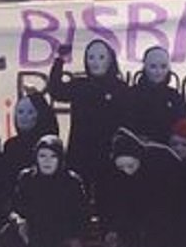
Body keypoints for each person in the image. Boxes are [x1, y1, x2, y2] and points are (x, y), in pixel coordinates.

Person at [96, 128, 186, 247]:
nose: (127, 170)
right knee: (130, 230)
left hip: (169, 210)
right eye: (122, 167)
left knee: (160, 229)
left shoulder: (161, 159)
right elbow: (114, 203)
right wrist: (112, 229)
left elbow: (178, 195)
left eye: (130, 165)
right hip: (137, 215)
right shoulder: (114, 174)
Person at [2, 135, 89, 247]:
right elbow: (14, 208)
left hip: (61, 237)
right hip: (33, 235)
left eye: (52, 156)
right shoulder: (27, 178)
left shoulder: (71, 181)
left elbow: (82, 214)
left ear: (60, 158)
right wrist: (19, 221)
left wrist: (76, 235)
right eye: (42, 156)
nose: (47, 161)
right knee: (9, 233)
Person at [49, 38, 130, 197]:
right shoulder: (80, 85)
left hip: (109, 155)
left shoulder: (121, 88)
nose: (95, 62)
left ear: (110, 60)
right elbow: (56, 90)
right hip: (80, 153)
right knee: (78, 198)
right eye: (91, 57)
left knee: (109, 199)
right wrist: (60, 61)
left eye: (101, 57)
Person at [122, 46, 186, 146]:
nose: (159, 71)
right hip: (137, 151)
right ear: (145, 67)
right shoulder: (132, 94)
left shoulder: (174, 96)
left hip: (168, 152)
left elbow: (184, 128)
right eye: (153, 66)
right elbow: (125, 125)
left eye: (163, 66)